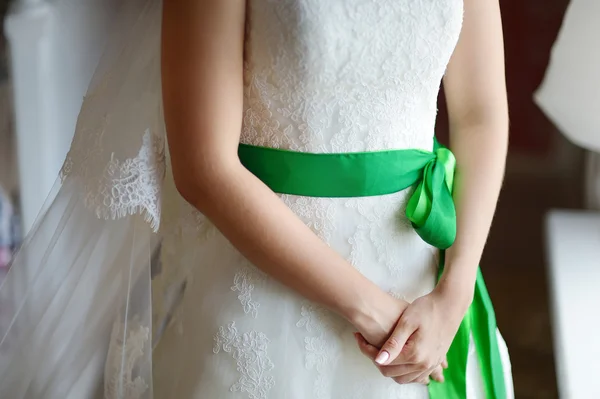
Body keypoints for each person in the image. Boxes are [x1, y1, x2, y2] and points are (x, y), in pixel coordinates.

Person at [0, 0, 514, 398]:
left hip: (424, 296)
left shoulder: (445, 297)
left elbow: (481, 113)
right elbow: (205, 168)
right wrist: (371, 310)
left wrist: (455, 290)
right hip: (265, 290)